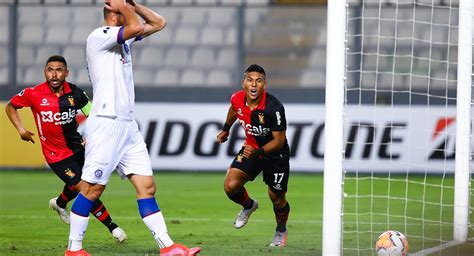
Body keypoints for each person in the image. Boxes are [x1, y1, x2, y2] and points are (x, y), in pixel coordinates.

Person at [65, 1, 201, 255]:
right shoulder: (99, 36)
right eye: (123, 10)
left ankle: (168, 248)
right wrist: (123, 7)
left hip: (127, 126)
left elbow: (159, 23)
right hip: (106, 123)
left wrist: (133, 4)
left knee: (147, 186)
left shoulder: (123, 41)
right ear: (114, 16)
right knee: (92, 189)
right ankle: (74, 249)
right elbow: (136, 25)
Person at [5, 55, 127, 243]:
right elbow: (11, 106)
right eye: (50, 70)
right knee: (85, 188)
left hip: (78, 148)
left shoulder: (76, 94)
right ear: (45, 72)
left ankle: (59, 203)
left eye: (59, 70)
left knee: (81, 184)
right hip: (56, 156)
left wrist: (90, 136)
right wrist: (21, 129)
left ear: (66, 73)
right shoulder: (33, 93)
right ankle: (113, 227)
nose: (54, 74)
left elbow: (93, 116)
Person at [216, 64, 291, 247]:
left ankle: (281, 230)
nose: (254, 84)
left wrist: (258, 152)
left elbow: (279, 141)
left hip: (276, 156)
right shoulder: (237, 98)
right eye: (250, 80)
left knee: (277, 198)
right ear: (244, 83)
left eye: (258, 81)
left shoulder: (274, 108)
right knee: (230, 186)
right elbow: (234, 109)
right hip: (252, 148)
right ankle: (249, 205)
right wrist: (226, 129)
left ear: (264, 84)